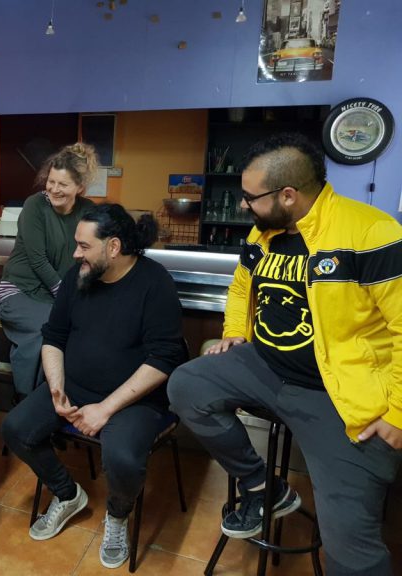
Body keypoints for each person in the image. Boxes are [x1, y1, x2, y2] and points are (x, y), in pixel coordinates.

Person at [168, 133, 402, 576]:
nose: (244, 206)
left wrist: (398, 413)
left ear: (288, 195)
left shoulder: (370, 232)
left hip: (337, 397)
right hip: (265, 367)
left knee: (350, 549)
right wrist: (234, 332)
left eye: (250, 197)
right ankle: (263, 486)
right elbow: (241, 287)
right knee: (187, 385)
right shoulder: (263, 233)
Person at [2, 203, 187, 569]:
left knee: (123, 459)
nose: (75, 254)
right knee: (15, 428)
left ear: (113, 247)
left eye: (84, 246)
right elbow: (54, 336)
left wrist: (105, 409)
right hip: (75, 387)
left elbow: (164, 359)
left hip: (135, 401)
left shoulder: (155, 283)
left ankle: (117, 514)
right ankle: (67, 494)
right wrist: (56, 388)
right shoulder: (79, 276)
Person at [0, 142, 98, 398]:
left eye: (63, 184)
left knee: (82, 332)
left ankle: (57, 400)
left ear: (80, 187)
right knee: (48, 329)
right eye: (51, 182)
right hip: (19, 291)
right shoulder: (35, 205)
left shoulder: (89, 212)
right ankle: (26, 400)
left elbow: (95, 253)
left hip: (56, 297)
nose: (54, 189)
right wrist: (67, 300)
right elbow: (38, 260)